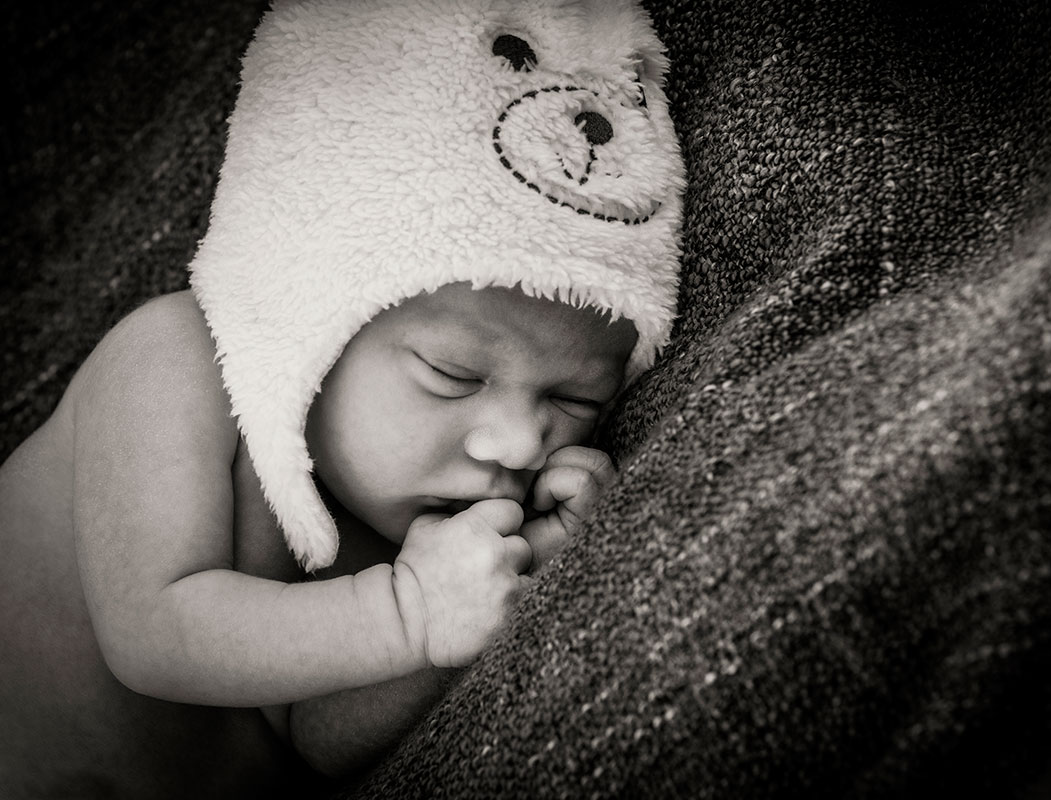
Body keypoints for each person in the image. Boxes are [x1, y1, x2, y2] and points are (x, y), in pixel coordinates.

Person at [0, 0, 684, 796]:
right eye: (452, 375)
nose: (521, 444)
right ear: (315, 312)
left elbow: (317, 739)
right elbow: (153, 633)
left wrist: (505, 585)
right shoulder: (173, 360)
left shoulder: (405, 523)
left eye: (574, 399)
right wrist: (406, 614)